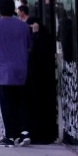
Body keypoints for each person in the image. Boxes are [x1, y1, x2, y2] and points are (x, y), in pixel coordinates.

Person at [0, 0, 33, 146]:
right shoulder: (23, 25)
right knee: (21, 102)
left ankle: (9, 137)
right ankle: (24, 133)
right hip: (22, 69)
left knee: (5, 104)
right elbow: (29, 46)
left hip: (2, 71)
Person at [25, 16, 59, 146]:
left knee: (38, 107)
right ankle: (44, 134)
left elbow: (33, 51)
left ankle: (39, 134)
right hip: (44, 80)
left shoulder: (41, 39)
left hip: (38, 80)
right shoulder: (46, 38)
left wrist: (35, 35)